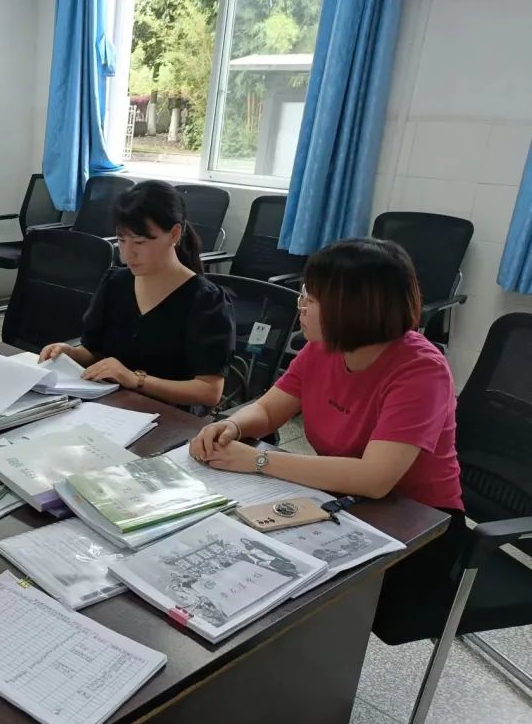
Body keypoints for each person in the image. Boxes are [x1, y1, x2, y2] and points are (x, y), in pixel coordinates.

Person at [188, 237, 462, 513]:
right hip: (342, 497)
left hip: (418, 516)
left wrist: (258, 460)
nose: (301, 307)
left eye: (311, 300)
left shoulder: (422, 371)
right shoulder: (323, 347)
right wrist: (233, 425)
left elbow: (375, 478)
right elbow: (268, 411)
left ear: (352, 310)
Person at [39, 180, 234, 407]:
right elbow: (95, 351)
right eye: (122, 240)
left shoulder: (206, 300)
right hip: (107, 405)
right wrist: (70, 353)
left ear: (174, 234)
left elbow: (209, 391)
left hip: (167, 415)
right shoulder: (115, 282)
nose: (127, 254)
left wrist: (136, 380)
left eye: (140, 242)